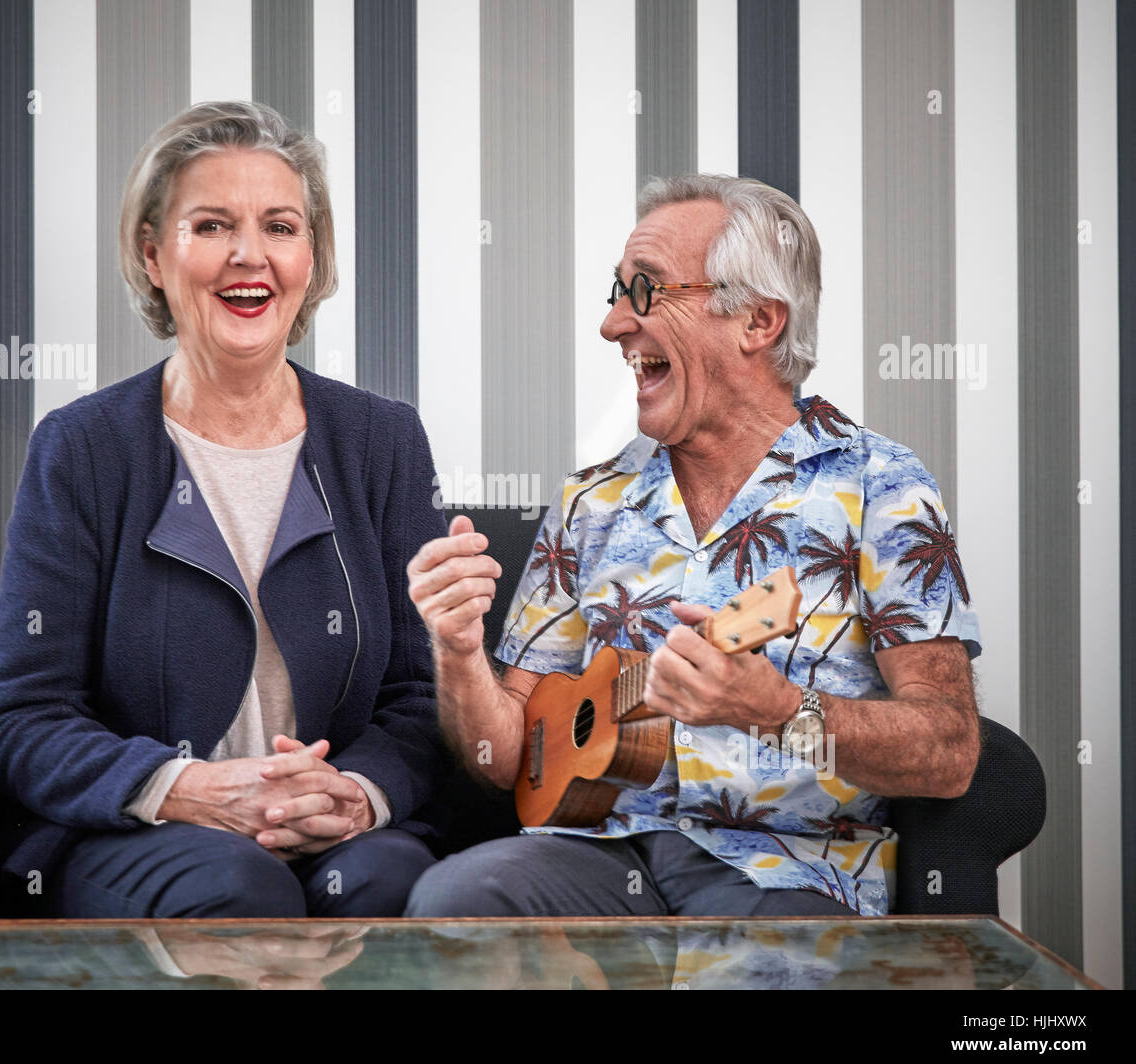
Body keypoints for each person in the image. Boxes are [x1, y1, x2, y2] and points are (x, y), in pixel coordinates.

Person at [405, 174, 981, 919]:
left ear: (757, 320)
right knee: (452, 902)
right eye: (615, 294)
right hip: (599, 859)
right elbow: (507, 757)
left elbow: (950, 750)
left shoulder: (883, 488)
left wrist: (778, 709)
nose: (614, 324)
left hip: (787, 873)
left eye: (644, 292)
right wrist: (456, 652)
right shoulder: (590, 503)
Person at [0, 101, 447, 927]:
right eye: (212, 225)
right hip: (146, 832)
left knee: (393, 886)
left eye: (279, 226)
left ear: (312, 257)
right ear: (153, 254)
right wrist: (187, 789)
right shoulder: (82, 447)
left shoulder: (384, 439)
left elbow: (422, 694)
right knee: (241, 888)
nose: (249, 255)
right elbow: (25, 714)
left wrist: (356, 795)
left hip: (339, 830)